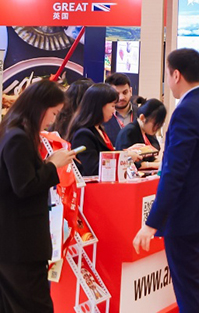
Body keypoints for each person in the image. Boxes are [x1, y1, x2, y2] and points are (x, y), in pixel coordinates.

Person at [133, 49, 199, 313]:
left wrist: (152, 223)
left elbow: (174, 172)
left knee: (189, 288)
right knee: (198, 281)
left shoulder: (186, 111)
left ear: (176, 75)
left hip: (187, 216)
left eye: (168, 75)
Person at [0, 80, 75, 313]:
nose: (53, 120)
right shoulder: (18, 137)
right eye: (53, 113)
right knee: (34, 304)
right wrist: (53, 166)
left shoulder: (14, 131)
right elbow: (25, 186)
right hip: (20, 244)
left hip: (15, 243)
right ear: (40, 108)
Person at [68, 83, 120, 176]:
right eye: (112, 106)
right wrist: (124, 158)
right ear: (100, 106)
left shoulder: (99, 128)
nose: (113, 111)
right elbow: (93, 169)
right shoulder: (83, 134)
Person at [103, 72, 135, 146]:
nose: (121, 98)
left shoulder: (141, 113)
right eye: (116, 94)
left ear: (130, 91)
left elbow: (154, 144)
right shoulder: (102, 118)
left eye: (125, 92)